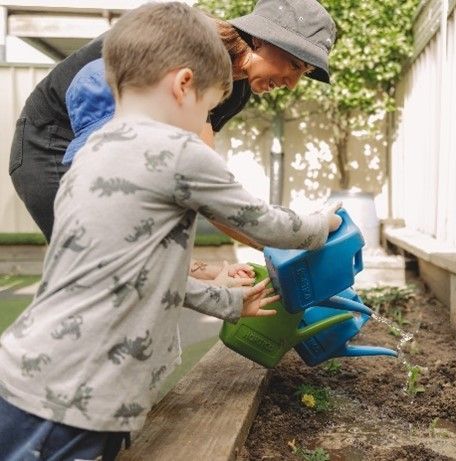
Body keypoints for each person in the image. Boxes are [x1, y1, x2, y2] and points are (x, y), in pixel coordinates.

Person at [0, 3, 341, 460]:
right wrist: (320, 228)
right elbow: (230, 200)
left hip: (22, 378)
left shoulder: (107, 152)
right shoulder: (178, 93)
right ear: (183, 84)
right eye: (295, 64)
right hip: (71, 407)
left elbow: (150, 253)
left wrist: (224, 296)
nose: (294, 81)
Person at [8, 0, 337, 242]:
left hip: (116, 145)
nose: (293, 83)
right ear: (262, 38)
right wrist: (294, 237)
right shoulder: (189, 40)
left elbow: (205, 180)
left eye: (303, 73)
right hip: (53, 140)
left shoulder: (236, 90)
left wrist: (269, 247)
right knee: (98, 257)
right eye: (295, 64)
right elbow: (204, 185)